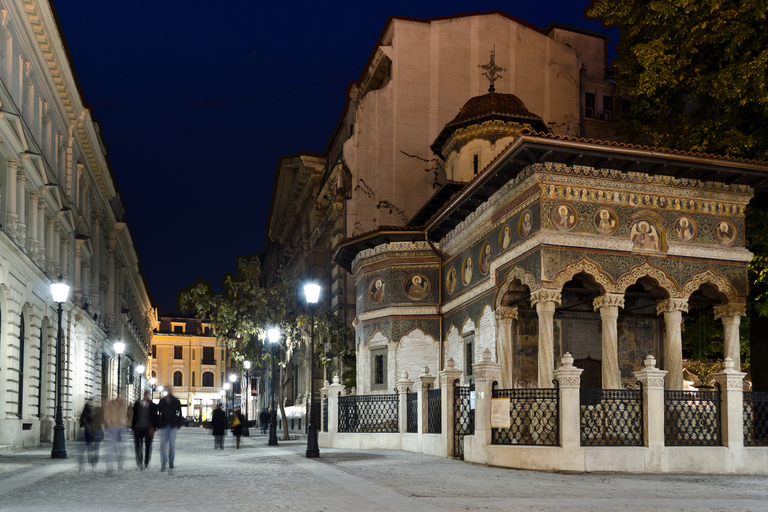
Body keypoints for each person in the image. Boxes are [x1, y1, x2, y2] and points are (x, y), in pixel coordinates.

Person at [131, 390, 158, 470]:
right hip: (138, 427)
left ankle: (146, 462)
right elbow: (133, 415)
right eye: (145, 394)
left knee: (148, 446)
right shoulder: (136, 404)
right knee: (138, 446)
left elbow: (156, 417)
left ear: (149, 395)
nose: (146, 396)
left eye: (147, 394)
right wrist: (133, 426)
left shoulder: (153, 406)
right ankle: (139, 461)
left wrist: (153, 427)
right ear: (143, 395)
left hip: (148, 428)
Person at [157, 386, 182, 471]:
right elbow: (158, 412)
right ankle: (163, 462)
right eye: (167, 390)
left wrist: (178, 423)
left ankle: (171, 462)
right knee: (162, 445)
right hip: (163, 425)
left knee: (172, 445)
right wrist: (158, 423)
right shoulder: (162, 401)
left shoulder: (176, 401)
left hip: (172, 425)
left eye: (170, 390)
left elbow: (179, 413)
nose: (169, 391)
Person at [104, 391, 127, 474]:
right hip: (112, 428)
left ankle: (120, 464)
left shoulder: (124, 405)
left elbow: (125, 415)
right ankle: (109, 467)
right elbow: (107, 415)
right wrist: (110, 425)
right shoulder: (111, 404)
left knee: (121, 449)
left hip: (121, 428)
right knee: (110, 448)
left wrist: (124, 423)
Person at [78, 400, 95, 471]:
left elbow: (81, 422)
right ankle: (89, 462)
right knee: (88, 448)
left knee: (86, 448)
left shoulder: (86, 412)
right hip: (88, 431)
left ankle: (84, 464)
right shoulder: (90, 412)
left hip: (87, 431)